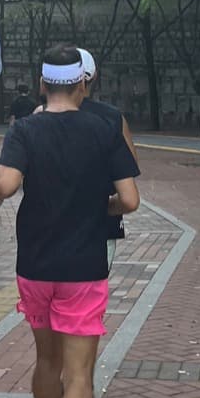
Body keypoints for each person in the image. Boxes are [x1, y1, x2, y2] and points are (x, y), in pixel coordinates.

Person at [0, 44, 140, 398]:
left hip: (35, 266)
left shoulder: (25, 129)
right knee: (79, 373)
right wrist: (103, 205)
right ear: (82, 84)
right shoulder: (103, 129)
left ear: (41, 85)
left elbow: (6, 185)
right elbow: (132, 200)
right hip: (83, 267)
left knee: (45, 360)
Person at [77, 47, 138, 272]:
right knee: (89, 297)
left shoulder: (41, 115)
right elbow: (129, 167)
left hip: (50, 228)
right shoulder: (113, 118)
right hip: (100, 223)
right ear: (93, 78)